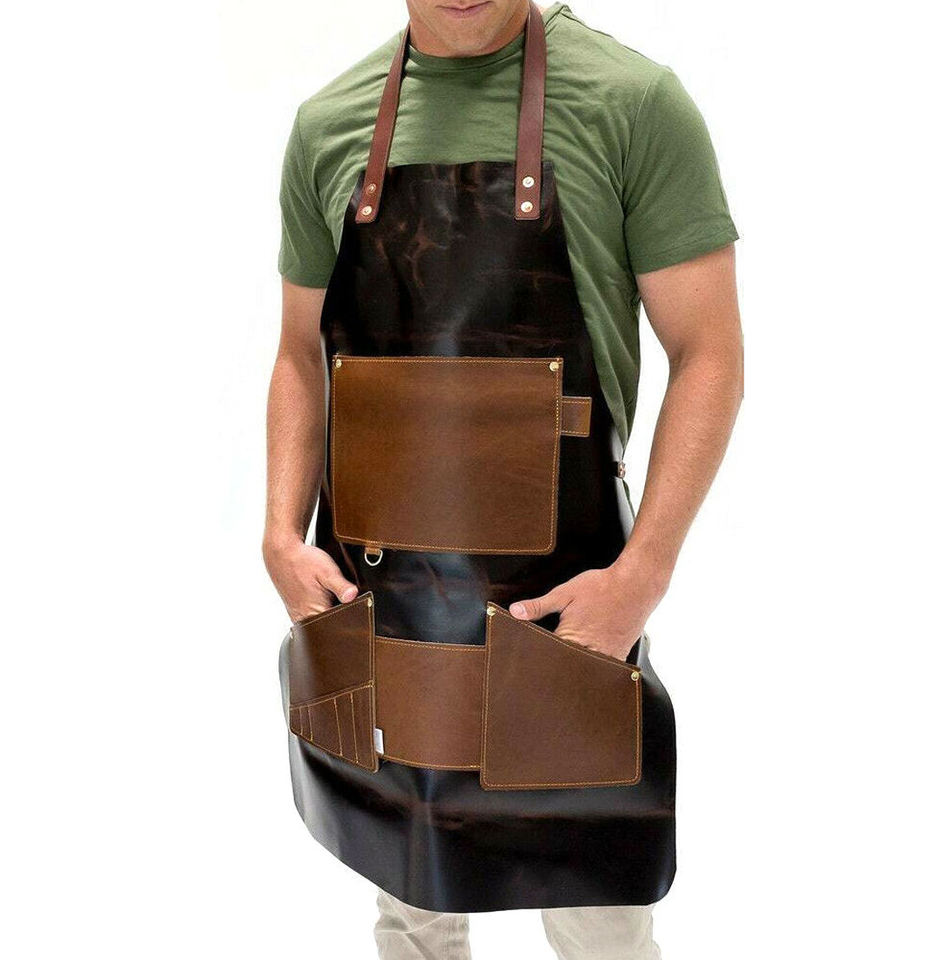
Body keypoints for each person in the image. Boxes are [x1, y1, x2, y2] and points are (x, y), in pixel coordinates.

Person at [263, 2, 742, 957]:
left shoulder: (632, 103)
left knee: (600, 905)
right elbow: (298, 355)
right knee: (410, 901)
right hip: (385, 608)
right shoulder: (327, 126)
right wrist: (280, 533)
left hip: (563, 611)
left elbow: (710, 354)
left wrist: (643, 575)